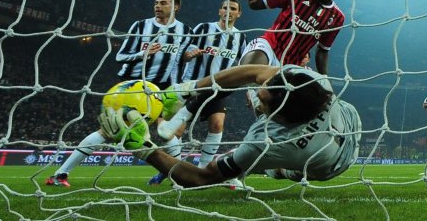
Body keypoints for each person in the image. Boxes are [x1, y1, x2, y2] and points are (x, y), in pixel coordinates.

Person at [98, 64, 362, 188]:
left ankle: (266, 172)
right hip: (351, 122)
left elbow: (201, 177)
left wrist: (145, 149)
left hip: (330, 166)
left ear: (281, 118)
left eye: (263, 101)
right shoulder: (306, 82)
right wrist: (186, 91)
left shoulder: (265, 143)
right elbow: (252, 72)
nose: (257, 93)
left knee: (278, 171)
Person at [46, 0, 193, 187]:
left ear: (175, 7)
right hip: (133, 86)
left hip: (161, 88)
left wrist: (183, 70)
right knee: (107, 131)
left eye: (164, 3)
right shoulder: (141, 26)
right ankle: (60, 174)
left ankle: (177, 178)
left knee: (167, 131)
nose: (158, 6)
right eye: (156, 2)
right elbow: (120, 56)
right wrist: (143, 53)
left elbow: (179, 61)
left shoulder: (186, 30)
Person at [148, 0, 247, 185]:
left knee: (217, 124)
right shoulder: (203, 28)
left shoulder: (240, 37)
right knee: (176, 132)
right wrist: (188, 55)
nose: (228, 11)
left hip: (217, 90)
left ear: (238, 14)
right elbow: (184, 53)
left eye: (233, 9)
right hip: (193, 86)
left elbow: (243, 64)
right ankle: (174, 169)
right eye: (225, 7)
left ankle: (203, 168)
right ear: (219, 10)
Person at [239, 0, 344, 112]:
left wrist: (324, 78)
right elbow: (258, 4)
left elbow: (323, 50)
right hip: (270, 44)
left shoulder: (337, 18)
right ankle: (251, 91)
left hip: (290, 65)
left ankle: (257, 100)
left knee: (276, 109)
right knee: (248, 70)